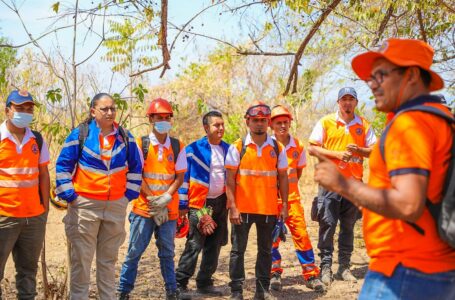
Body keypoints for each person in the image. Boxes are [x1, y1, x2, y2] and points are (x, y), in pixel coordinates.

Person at [311, 38, 455, 299]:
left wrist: (343, 184)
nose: (372, 84)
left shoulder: (410, 124)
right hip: (436, 268)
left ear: (411, 75)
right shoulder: (441, 118)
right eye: (370, 78)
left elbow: (408, 204)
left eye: (380, 75)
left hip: (403, 272)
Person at [55, 93, 143, 300]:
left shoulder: (125, 137)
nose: (110, 112)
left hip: (115, 208)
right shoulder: (80, 135)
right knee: (81, 262)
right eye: (105, 109)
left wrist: (127, 196)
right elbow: (62, 167)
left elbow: (136, 168)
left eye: (113, 108)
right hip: (84, 207)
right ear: (93, 111)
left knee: (108, 261)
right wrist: (71, 196)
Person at [118, 98, 188, 300]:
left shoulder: (177, 146)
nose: (164, 120)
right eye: (159, 117)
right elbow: (135, 175)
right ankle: (123, 291)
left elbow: (180, 176)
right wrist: (154, 200)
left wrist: (166, 197)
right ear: (150, 119)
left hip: (169, 210)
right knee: (134, 252)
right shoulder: (141, 144)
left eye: (167, 117)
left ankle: (171, 290)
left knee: (167, 252)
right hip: (144, 209)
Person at [308, 87, 376, 286]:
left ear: (356, 102)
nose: (347, 103)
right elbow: (312, 148)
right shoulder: (326, 122)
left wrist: (360, 150)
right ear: (338, 102)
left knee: (348, 226)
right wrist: (336, 155)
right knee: (327, 224)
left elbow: (374, 151)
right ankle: (326, 268)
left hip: (353, 185)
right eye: (344, 99)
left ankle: (344, 268)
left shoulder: (363, 124)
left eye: (351, 99)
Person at [226, 101, 289, 300]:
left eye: (263, 120)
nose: (259, 124)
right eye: (255, 120)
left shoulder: (278, 148)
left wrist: (284, 205)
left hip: (269, 209)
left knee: (266, 251)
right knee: (238, 251)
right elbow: (229, 179)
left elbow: (283, 178)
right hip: (242, 210)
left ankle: (262, 290)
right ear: (248, 122)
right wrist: (233, 207)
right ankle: (236, 291)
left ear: (268, 122)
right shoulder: (237, 147)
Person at [0, 90, 50, 300]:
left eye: (29, 109)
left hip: (33, 219)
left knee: (28, 274)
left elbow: (44, 175)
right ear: (8, 110)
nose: (25, 112)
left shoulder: (36, 139)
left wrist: (44, 211)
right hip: (4, 218)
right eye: (20, 108)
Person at [268, 105, 324, 292]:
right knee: (271, 239)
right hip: (269, 201)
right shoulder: (266, 144)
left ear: (290, 123)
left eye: (285, 122)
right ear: (271, 124)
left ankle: (311, 274)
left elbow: (297, 174)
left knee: (301, 235)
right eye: (278, 123)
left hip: (292, 200)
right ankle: (274, 273)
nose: (282, 126)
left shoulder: (298, 146)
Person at [175, 110, 230, 296]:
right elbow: (183, 178)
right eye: (216, 125)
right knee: (194, 244)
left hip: (221, 202)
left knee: (215, 244)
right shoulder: (193, 150)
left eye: (222, 124)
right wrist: (182, 205)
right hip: (200, 204)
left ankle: (205, 282)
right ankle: (179, 283)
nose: (221, 128)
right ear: (206, 128)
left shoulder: (229, 149)